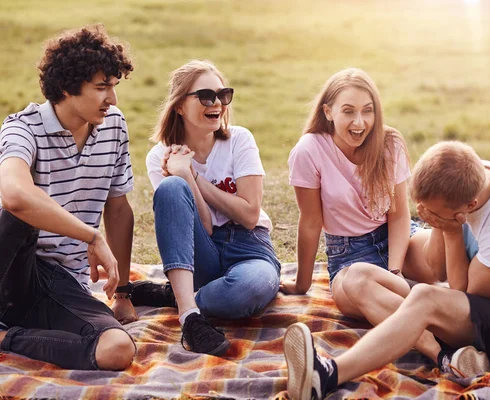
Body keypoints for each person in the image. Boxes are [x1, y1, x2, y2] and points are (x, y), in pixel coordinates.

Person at [283, 141, 490, 400]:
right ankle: (449, 358)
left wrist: (451, 232)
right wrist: (441, 225)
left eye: (435, 214)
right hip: (463, 299)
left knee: (425, 298)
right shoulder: (471, 175)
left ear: (469, 206)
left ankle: (326, 376)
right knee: (361, 277)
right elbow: (438, 270)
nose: (429, 217)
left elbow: (468, 295)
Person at [0, 25, 137, 370]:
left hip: (58, 283)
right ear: (66, 87)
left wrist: (122, 294)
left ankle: (5, 338)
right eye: (101, 87)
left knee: (117, 349)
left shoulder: (114, 126)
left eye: (114, 87)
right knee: (20, 212)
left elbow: (118, 209)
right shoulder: (22, 129)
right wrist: (90, 235)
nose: (113, 99)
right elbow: (14, 196)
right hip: (8, 264)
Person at [131, 60, 281, 356]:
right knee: (171, 188)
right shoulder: (160, 156)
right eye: (205, 96)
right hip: (202, 251)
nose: (217, 103)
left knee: (252, 287)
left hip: (250, 247)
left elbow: (250, 215)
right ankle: (190, 317)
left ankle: (179, 296)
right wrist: (182, 176)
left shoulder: (239, 140)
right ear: (179, 106)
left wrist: (194, 175)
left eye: (223, 95)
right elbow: (207, 227)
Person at [279, 68, 436, 328]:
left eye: (367, 110)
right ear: (329, 112)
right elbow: (310, 222)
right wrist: (302, 283)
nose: (359, 122)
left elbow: (398, 214)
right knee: (362, 294)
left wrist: (394, 272)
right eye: (348, 111)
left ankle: (481, 316)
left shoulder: (390, 143)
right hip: (349, 255)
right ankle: (438, 327)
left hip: (397, 239)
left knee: (448, 250)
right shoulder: (308, 151)